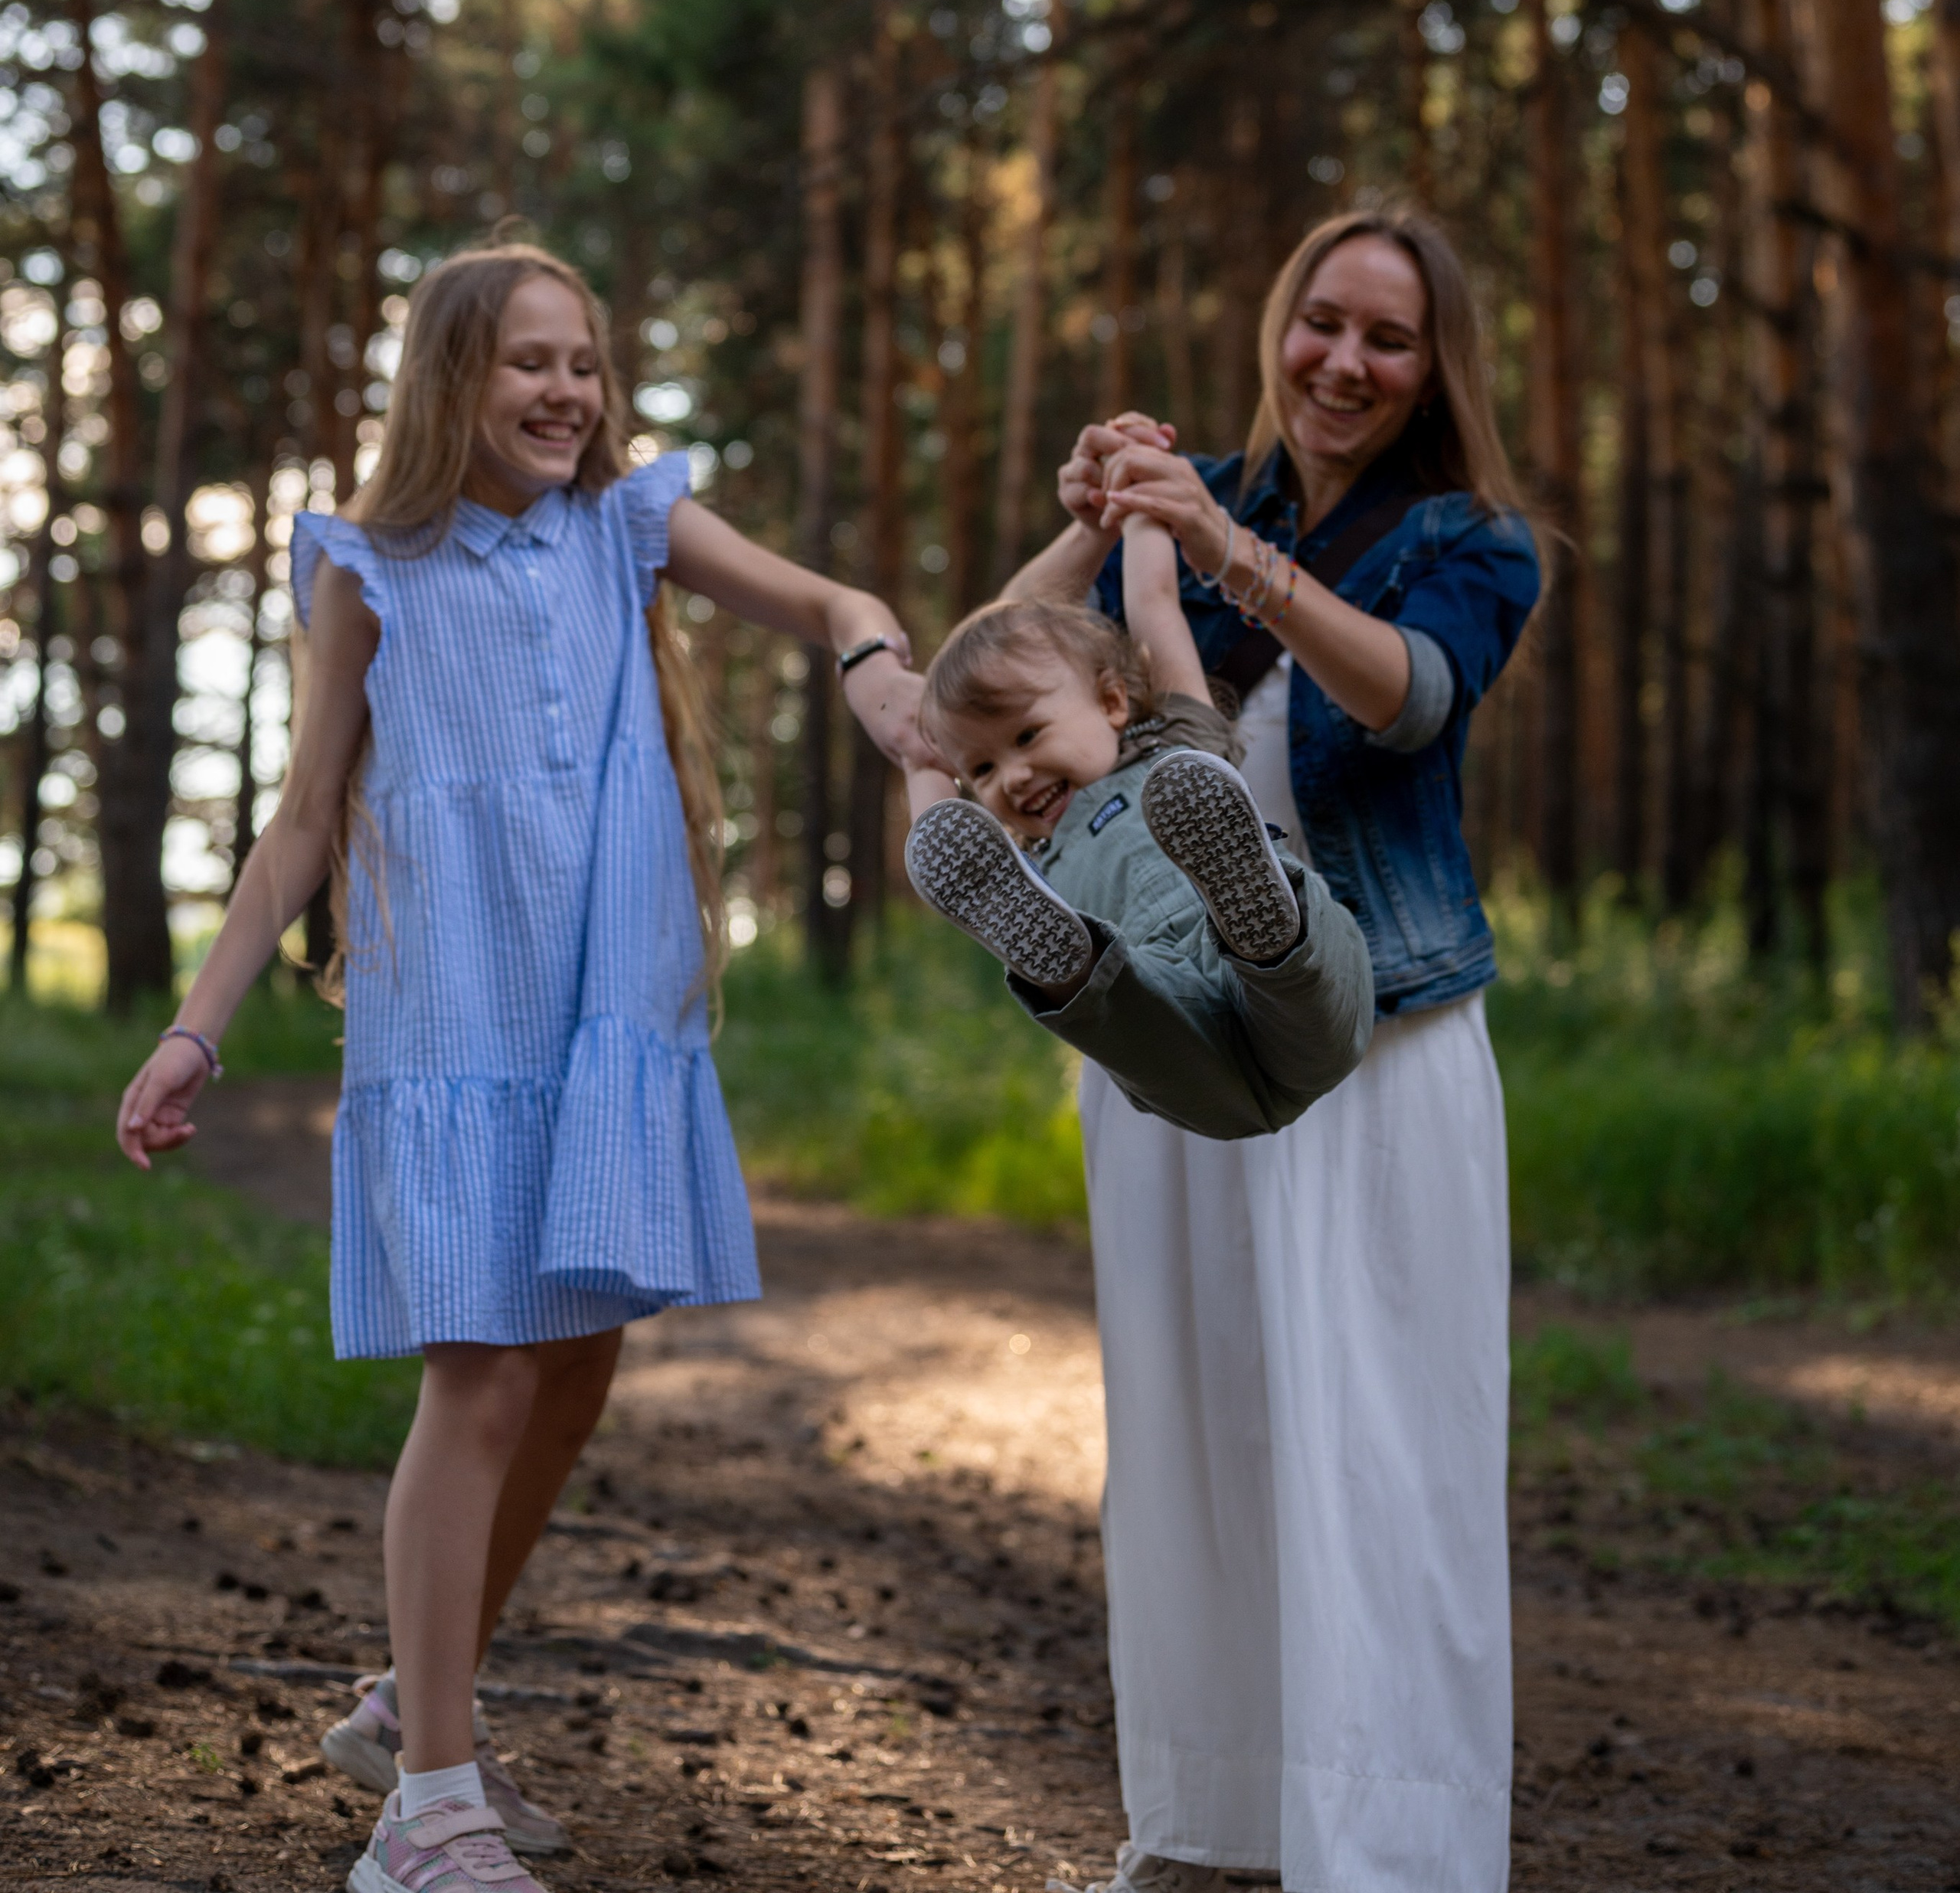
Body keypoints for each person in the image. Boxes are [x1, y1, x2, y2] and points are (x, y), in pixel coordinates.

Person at [115, 244, 916, 1893]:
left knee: (576, 1361)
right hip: (457, 1017)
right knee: (479, 1376)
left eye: (584, 362)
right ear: (449, 380)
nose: (565, 391)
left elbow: (833, 604)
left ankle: (405, 1707)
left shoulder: (628, 524)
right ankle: (428, 1809)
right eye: (527, 361)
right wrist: (197, 1024)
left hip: (604, 1007)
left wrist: (881, 675)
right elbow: (303, 820)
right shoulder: (370, 566)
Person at [1001, 207, 1540, 1893]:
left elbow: (1408, 697)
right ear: (1278, 324)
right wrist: (1094, 526)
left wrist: (1222, 552)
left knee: (1376, 1445)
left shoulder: (1473, 538)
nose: (1344, 362)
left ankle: (1386, 1850)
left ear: (1432, 368)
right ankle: (1209, 1826)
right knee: (1191, 1431)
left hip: (1377, 1042)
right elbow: (989, 674)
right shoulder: (1195, 496)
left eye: (1388, 337)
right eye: (1323, 320)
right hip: (1177, 1032)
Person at [900, 512, 1374, 1141]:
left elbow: (1154, 602)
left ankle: (1265, 929)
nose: (1012, 777)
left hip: (1300, 1006)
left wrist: (1143, 513)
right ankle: (1077, 970)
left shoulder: (1174, 744)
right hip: (1172, 1010)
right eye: (981, 769)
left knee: (1298, 973)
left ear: (1112, 701)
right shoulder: (1029, 865)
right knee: (1128, 1013)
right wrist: (917, 759)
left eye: (1028, 736)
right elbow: (942, 833)